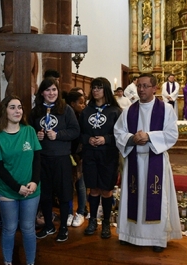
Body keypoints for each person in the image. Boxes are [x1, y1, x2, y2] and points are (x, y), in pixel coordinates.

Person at [113, 73, 181, 253]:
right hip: (135, 159)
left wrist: (149, 136)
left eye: (145, 86)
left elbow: (172, 134)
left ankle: (157, 238)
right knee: (133, 197)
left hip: (155, 160)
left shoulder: (166, 109)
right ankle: (130, 235)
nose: (141, 89)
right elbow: (118, 132)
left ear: (154, 88)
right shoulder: (129, 111)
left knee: (156, 199)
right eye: (139, 86)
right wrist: (132, 138)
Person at [0, 95, 41, 265]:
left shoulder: (29, 131)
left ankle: (31, 262)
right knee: (9, 229)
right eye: (12, 107)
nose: (17, 110)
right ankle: (8, 262)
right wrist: (16, 187)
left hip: (31, 189)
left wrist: (34, 181)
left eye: (19, 107)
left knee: (28, 229)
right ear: (4, 110)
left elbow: (37, 159)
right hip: (7, 190)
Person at [31, 77, 80, 242]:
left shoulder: (65, 109)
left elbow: (75, 131)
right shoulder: (36, 110)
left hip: (61, 158)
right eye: (47, 90)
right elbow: (28, 131)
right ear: (42, 92)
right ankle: (48, 225)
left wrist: (58, 135)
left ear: (58, 92)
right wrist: (35, 135)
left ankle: (64, 227)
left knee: (64, 194)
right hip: (42, 158)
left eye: (54, 90)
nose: (51, 93)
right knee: (44, 194)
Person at [79, 77, 121, 239]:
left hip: (108, 156)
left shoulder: (115, 111)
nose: (95, 90)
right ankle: (93, 220)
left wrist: (106, 139)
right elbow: (79, 133)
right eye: (93, 87)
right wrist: (87, 139)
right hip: (90, 155)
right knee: (93, 189)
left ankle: (105, 222)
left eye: (99, 87)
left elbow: (121, 134)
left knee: (106, 190)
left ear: (106, 90)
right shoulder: (86, 111)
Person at [64, 90, 87, 227]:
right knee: (67, 185)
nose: (83, 105)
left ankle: (81, 211)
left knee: (81, 184)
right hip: (66, 154)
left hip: (79, 155)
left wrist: (80, 155)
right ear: (72, 104)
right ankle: (68, 212)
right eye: (80, 103)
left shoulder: (83, 117)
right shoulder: (66, 115)